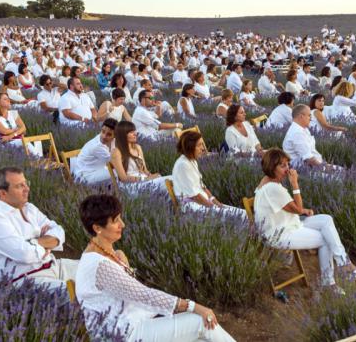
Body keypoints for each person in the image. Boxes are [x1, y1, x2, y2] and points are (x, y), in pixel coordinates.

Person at [75, 194, 235, 341]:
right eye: (116, 220)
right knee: (200, 321)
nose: (122, 224)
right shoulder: (100, 266)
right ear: (97, 228)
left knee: (202, 337)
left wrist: (120, 255)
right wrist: (193, 306)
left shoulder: (102, 252)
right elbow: (143, 295)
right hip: (124, 334)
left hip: (134, 321)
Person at [253, 149, 356, 292]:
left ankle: (344, 264)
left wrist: (303, 211)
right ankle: (329, 283)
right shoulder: (273, 189)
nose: (287, 168)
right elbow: (298, 209)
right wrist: (295, 184)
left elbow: (289, 208)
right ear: (271, 167)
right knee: (326, 239)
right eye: (282, 166)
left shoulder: (266, 181)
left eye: (287, 164)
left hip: (288, 223)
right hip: (280, 234)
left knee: (326, 220)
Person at [0, 167, 77, 291]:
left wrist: (33, 242)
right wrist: (46, 244)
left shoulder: (29, 208)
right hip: (25, 280)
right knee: (86, 293)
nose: (27, 189)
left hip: (52, 266)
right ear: (3, 193)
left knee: (98, 268)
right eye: (20, 186)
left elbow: (59, 231)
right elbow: (25, 254)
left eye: (26, 183)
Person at [172, 131, 246, 218]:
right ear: (190, 147)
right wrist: (213, 207)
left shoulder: (192, 161)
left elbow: (202, 186)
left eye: (202, 144)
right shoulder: (183, 165)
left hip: (203, 202)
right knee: (238, 217)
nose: (203, 148)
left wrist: (216, 202)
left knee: (242, 213)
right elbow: (195, 196)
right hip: (193, 206)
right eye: (199, 145)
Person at [110, 121, 171, 193]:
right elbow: (123, 178)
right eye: (131, 132)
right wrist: (145, 179)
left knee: (172, 179)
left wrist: (153, 175)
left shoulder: (138, 147)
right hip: (132, 186)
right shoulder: (116, 152)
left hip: (145, 181)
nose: (135, 134)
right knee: (167, 182)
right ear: (122, 135)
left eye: (134, 131)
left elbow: (145, 170)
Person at [283, 105, 337, 170]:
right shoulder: (297, 133)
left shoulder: (302, 129)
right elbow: (309, 159)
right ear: (301, 116)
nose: (311, 118)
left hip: (316, 166)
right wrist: (326, 168)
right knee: (341, 173)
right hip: (307, 170)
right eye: (309, 115)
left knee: (342, 170)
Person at [72, 119, 117, 185]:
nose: (104, 136)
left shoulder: (112, 140)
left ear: (114, 136)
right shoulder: (97, 146)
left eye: (109, 134)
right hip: (84, 176)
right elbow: (114, 164)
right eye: (103, 131)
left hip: (96, 170)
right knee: (118, 172)